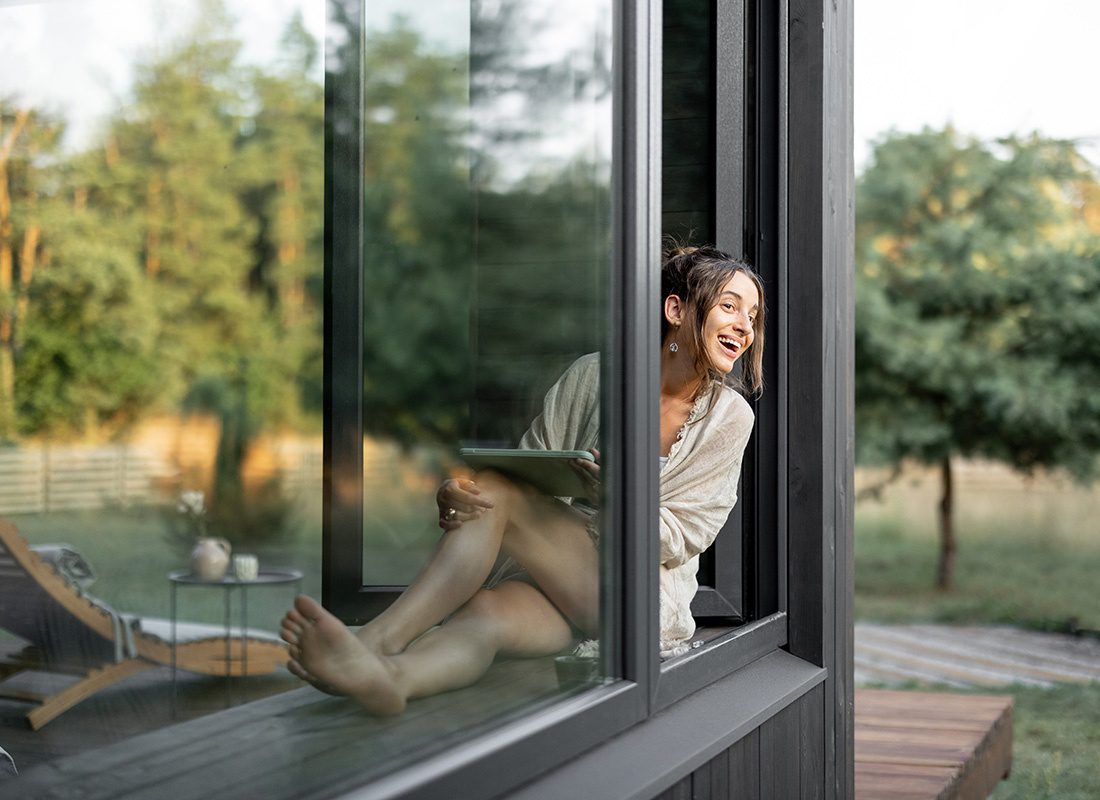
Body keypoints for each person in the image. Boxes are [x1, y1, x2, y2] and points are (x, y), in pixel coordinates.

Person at [280, 245, 765, 715]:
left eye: (752, 315)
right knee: (485, 613)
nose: (744, 326)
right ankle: (392, 681)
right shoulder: (593, 376)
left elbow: (688, 536)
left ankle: (374, 642)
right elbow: (530, 471)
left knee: (497, 490)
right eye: (730, 306)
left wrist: (617, 498)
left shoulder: (729, 417)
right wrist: (464, 497)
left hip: (635, 596)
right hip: (555, 577)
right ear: (676, 309)